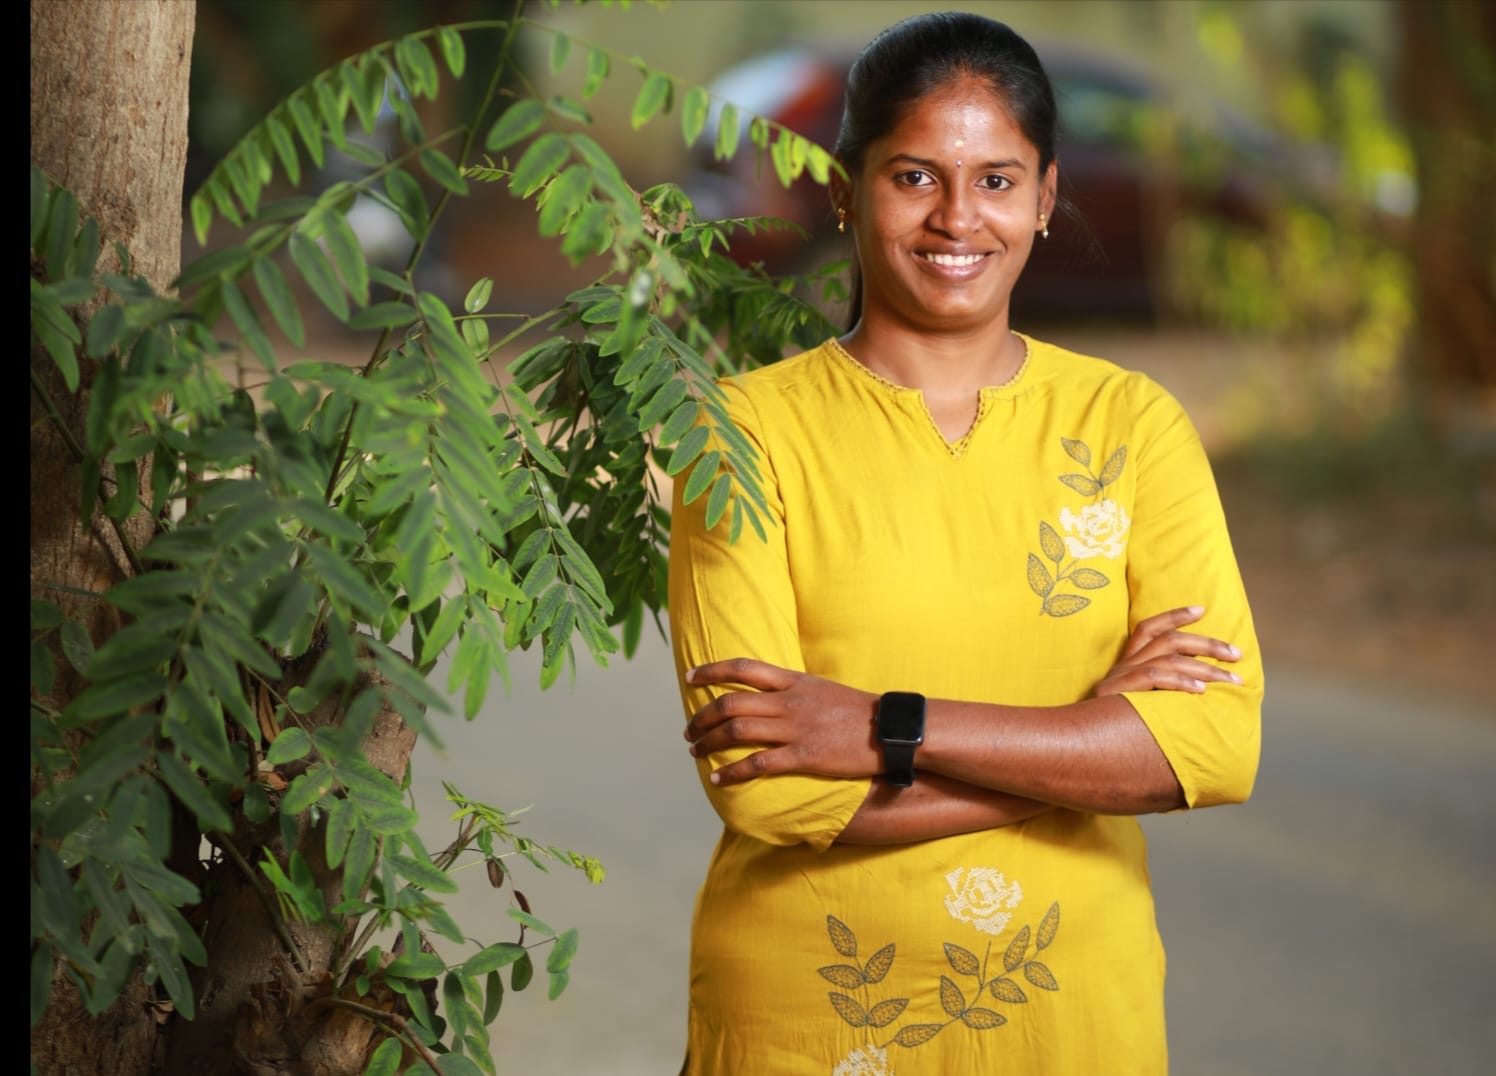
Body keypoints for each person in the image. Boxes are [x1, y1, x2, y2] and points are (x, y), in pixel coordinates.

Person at [667, 11, 1263, 1075]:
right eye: (914, 177)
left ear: (1043, 197)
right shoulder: (741, 435)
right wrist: (1092, 748)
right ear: (845, 190)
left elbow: (1212, 745)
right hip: (808, 1020)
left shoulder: (1131, 426)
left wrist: (887, 727)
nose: (957, 217)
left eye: (996, 180)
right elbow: (769, 788)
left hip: (1072, 1017)